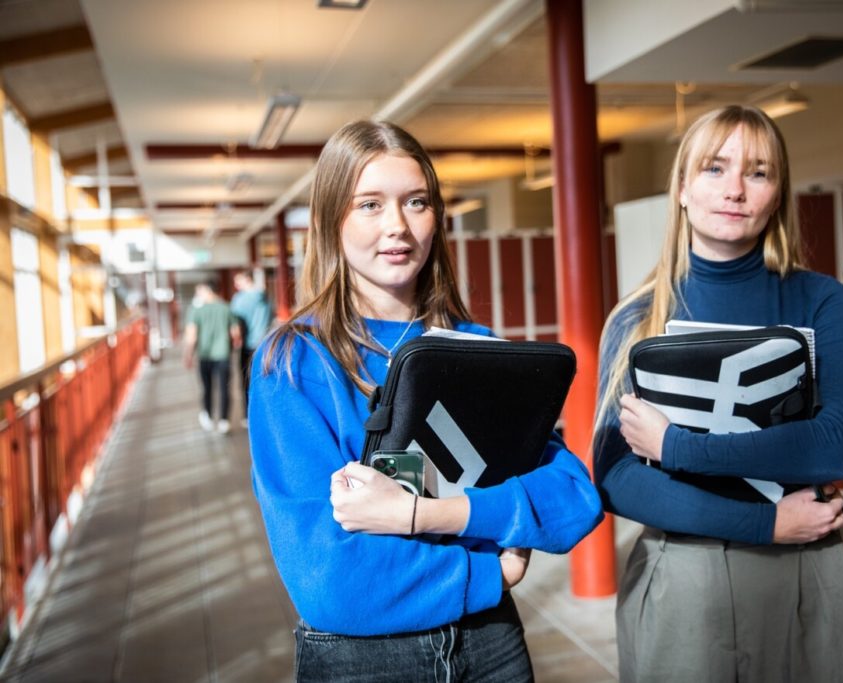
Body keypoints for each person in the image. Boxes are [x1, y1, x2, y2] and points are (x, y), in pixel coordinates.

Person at [248, 120, 603, 682]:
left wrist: (427, 515)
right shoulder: (293, 364)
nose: (397, 226)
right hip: (361, 659)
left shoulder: (476, 349)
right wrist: (488, 571)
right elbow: (332, 582)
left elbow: (573, 498)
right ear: (329, 220)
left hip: (492, 645)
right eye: (369, 204)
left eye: (416, 201)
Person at [593, 105, 843, 682]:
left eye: (759, 172)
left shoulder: (821, 302)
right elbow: (617, 477)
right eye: (715, 169)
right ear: (683, 189)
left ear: (778, 193)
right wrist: (763, 526)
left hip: (807, 565)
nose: (736, 190)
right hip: (685, 571)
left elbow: (834, 447)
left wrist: (679, 449)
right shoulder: (637, 319)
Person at [183, 281, 240, 435]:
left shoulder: (196, 310)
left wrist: (188, 354)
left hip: (205, 355)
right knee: (224, 388)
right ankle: (224, 421)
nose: (198, 294)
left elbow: (192, 335)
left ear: (208, 290)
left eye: (200, 290)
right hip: (223, 355)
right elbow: (236, 333)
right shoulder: (226, 308)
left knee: (207, 388)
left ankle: (207, 416)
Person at [229, 269, 272, 424]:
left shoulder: (240, 299)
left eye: (238, 281)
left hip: (248, 345)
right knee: (264, 378)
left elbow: (235, 323)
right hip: (265, 344)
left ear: (247, 280)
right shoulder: (266, 296)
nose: (235, 284)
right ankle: (265, 412)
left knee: (246, 380)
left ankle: (249, 415)